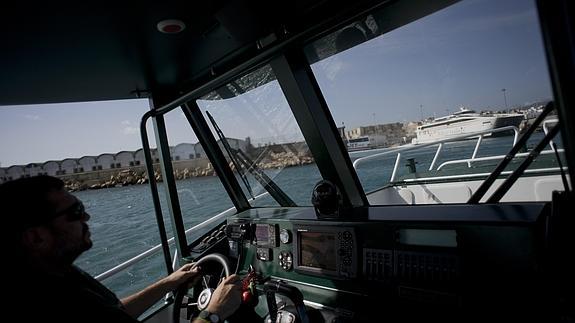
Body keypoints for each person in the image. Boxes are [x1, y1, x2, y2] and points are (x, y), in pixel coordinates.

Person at [1, 175, 242, 322]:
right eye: (74, 212)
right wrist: (213, 312)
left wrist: (169, 282)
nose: (86, 215)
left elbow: (116, 312)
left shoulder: (60, 276)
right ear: (35, 237)